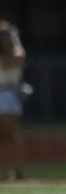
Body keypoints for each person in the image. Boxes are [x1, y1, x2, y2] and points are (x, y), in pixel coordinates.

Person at [0, 20, 27, 181]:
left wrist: (13, 39)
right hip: (7, 95)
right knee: (8, 137)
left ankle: (16, 170)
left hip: (7, 94)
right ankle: (7, 170)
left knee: (10, 136)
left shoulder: (14, 52)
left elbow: (17, 58)